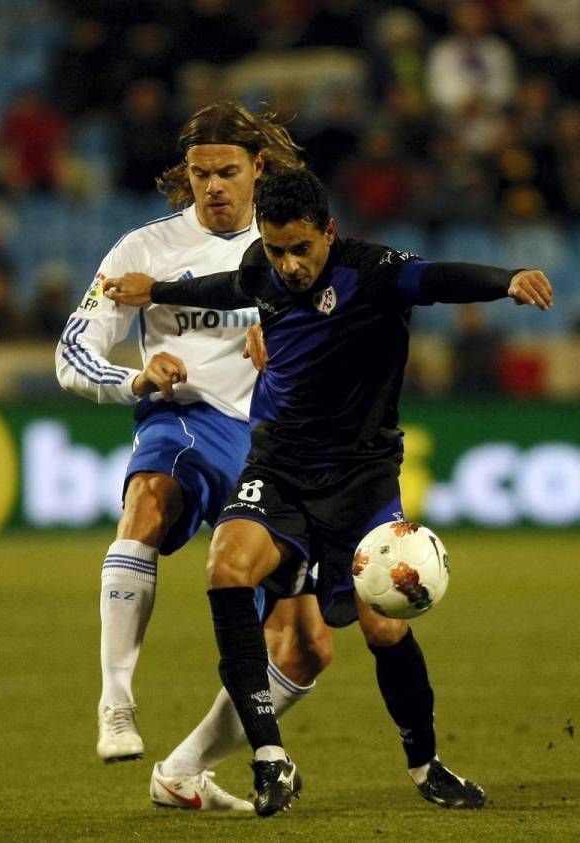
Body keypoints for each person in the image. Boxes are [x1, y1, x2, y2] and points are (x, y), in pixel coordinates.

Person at [104, 168, 553, 817]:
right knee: (226, 566)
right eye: (276, 247)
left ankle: (425, 762)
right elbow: (230, 285)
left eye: (300, 249)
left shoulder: (371, 272)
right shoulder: (263, 266)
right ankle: (269, 757)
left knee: (382, 624)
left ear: (329, 232)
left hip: (360, 480)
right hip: (279, 466)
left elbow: (435, 278)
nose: (286, 264)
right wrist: (161, 289)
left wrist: (504, 281)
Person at [56, 101, 326, 811]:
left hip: (273, 444)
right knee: (147, 496)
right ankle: (116, 700)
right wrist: (136, 378)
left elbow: (345, 335)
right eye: (201, 172)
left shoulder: (291, 244)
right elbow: (72, 351)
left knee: (304, 647)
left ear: (258, 168)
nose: (213, 185)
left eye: (227, 171)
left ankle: (183, 768)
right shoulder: (141, 251)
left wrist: (290, 351)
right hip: (186, 421)